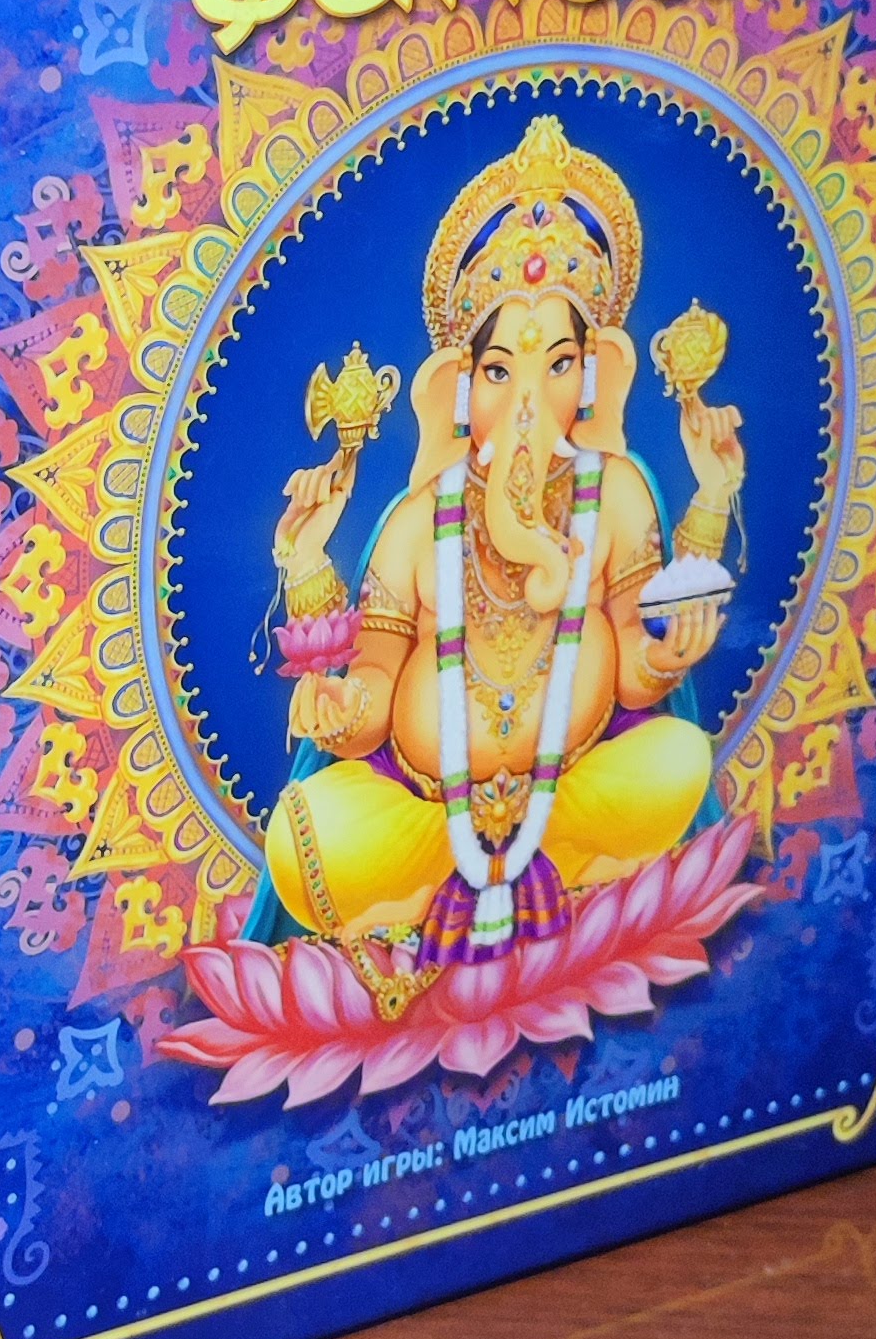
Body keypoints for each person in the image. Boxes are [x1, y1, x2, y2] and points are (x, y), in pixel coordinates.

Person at [255, 111, 745, 980]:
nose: (528, 400)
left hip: (574, 793)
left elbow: (636, 672)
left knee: (677, 760)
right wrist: (335, 688)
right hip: (425, 819)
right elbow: (374, 688)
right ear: (459, 389)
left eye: (557, 365)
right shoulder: (418, 522)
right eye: (498, 372)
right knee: (308, 835)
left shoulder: (614, 493)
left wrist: (676, 627)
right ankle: (513, 888)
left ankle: (530, 879)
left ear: (591, 376)